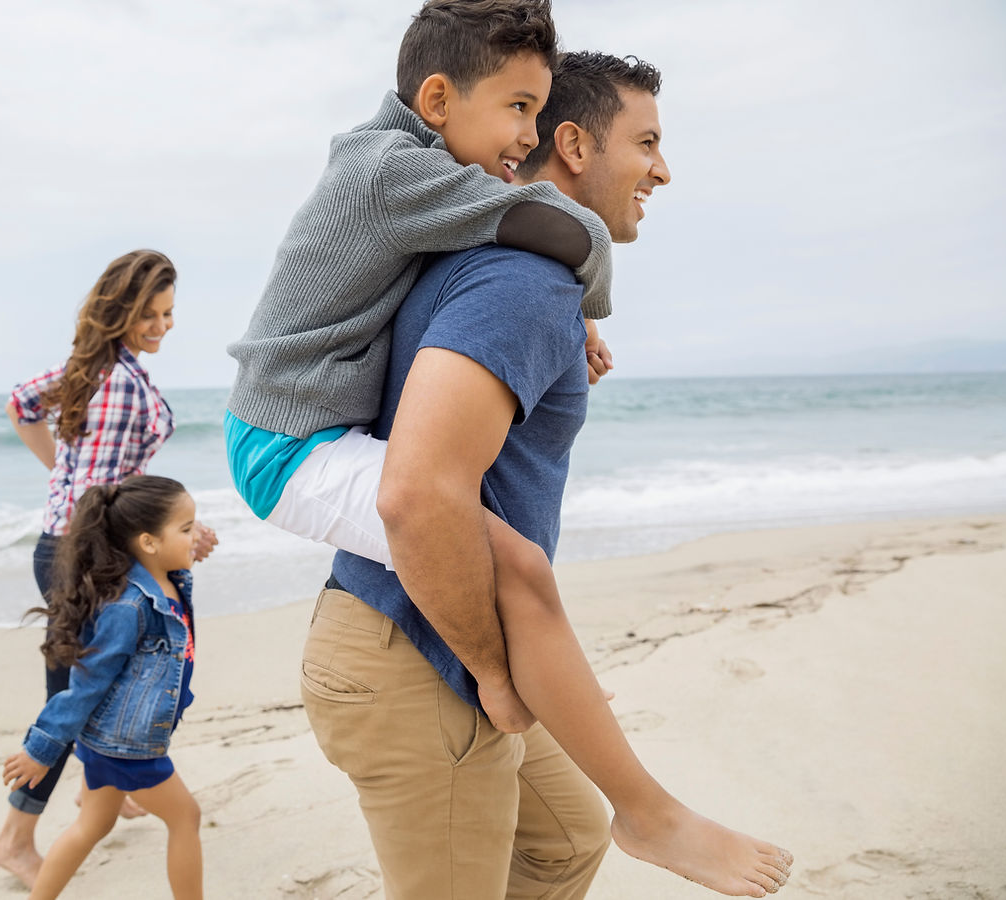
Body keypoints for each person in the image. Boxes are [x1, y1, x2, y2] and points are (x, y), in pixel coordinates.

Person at [300, 50, 793, 898]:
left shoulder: (502, 265)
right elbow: (417, 495)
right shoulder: (522, 283)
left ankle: (640, 814)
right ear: (571, 143)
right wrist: (489, 665)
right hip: (419, 649)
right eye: (646, 143)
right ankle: (654, 815)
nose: (663, 170)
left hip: (411, 632)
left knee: (565, 840)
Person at [225, 0, 614, 572]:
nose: (534, 136)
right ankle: (495, 668)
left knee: (503, 547)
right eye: (520, 107)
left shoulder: (407, 166)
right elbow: (568, 228)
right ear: (437, 102)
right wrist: (590, 298)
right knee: (502, 565)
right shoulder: (392, 171)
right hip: (284, 448)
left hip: (297, 432)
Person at [0, 249, 217, 888]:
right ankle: (16, 836)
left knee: (93, 681)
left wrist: (64, 483)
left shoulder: (94, 366)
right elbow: (108, 484)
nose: (163, 325)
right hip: (82, 554)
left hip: (67, 541)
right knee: (79, 688)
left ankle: (109, 785)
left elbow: (21, 406)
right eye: (150, 314)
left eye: (169, 314)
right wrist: (154, 532)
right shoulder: (116, 382)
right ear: (120, 311)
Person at [3, 475, 203, 900]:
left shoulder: (168, 579)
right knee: (186, 817)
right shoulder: (128, 606)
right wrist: (42, 748)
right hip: (127, 747)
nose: (196, 535)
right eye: (187, 529)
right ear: (148, 542)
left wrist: (190, 541)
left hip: (108, 740)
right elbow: (86, 685)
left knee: (92, 826)